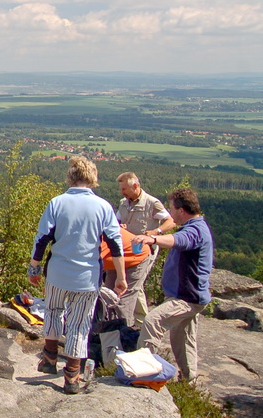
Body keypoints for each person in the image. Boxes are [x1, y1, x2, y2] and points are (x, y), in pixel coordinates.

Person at [29, 156, 127, 394]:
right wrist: (122, 277)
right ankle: (72, 376)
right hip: (87, 276)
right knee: (79, 324)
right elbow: (115, 245)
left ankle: (49, 358)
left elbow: (42, 238)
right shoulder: (104, 207)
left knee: (52, 312)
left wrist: (34, 268)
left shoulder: (57, 203)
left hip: (57, 272)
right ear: (92, 178)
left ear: (70, 176)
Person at [132, 188, 213, 381]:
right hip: (189, 296)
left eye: (172, 209)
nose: (170, 213)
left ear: (182, 210)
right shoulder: (194, 227)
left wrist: (153, 239)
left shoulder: (195, 231)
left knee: (152, 321)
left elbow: (178, 240)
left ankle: (144, 373)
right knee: (183, 340)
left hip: (187, 298)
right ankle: (189, 381)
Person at [115, 172, 176, 325]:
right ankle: (141, 320)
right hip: (127, 250)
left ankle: (138, 321)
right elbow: (115, 221)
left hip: (146, 250)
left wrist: (156, 232)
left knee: (136, 282)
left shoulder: (152, 203)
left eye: (124, 189)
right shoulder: (124, 203)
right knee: (135, 283)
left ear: (135, 186)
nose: (122, 192)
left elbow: (171, 221)